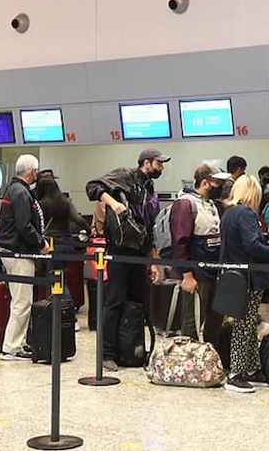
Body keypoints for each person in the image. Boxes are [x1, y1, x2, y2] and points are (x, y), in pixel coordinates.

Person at [85, 149, 167, 371]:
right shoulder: (125, 175)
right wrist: (113, 203)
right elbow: (93, 186)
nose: (162, 168)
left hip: (139, 253)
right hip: (120, 251)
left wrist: (153, 261)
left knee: (136, 304)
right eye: (159, 163)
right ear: (147, 163)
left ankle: (130, 350)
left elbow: (149, 228)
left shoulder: (150, 190)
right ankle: (106, 353)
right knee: (114, 301)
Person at [220, 174, 269, 393]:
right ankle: (236, 374)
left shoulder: (229, 213)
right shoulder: (246, 214)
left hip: (234, 275)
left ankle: (253, 370)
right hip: (249, 278)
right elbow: (253, 245)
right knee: (243, 325)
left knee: (246, 324)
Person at [0, 154, 48, 360]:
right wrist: (40, 243)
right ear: (32, 171)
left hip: (12, 251)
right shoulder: (21, 193)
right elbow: (24, 225)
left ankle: (19, 342)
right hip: (18, 253)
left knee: (20, 299)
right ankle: (12, 347)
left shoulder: (15, 190)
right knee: (22, 301)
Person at [169, 163, 228, 339]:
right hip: (196, 273)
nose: (221, 187)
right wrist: (186, 275)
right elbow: (180, 242)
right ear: (205, 183)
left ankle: (211, 360)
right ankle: (190, 361)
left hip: (214, 271)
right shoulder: (185, 204)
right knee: (192, 320)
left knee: (215, 319)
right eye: (217, 183)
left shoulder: (214, 205)